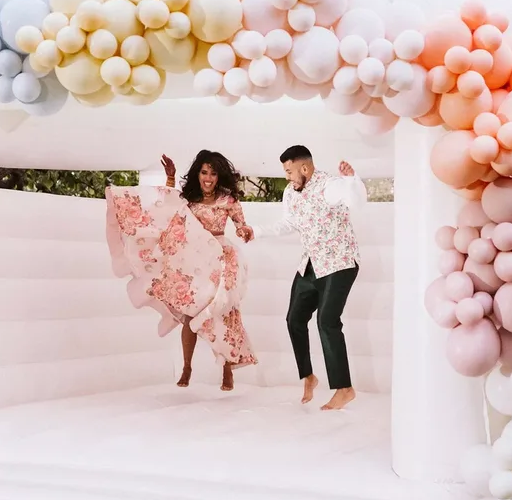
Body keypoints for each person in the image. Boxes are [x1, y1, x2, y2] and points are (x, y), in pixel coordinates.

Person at [105, 150, 257, 392]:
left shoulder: (228, 201)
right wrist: (170, 178)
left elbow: (241, 224)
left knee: (223, 312)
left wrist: (244, 231)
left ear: (219, 177)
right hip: (194, 260)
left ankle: (227, 369)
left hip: (219, 259)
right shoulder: (190, 199)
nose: (208, 178)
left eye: (213, 174)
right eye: (204, 172)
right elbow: (167, 206)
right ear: (198, 174)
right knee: (190, 313)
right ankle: (187, 367)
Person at [253, 145, 366, 410]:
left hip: (340, 263)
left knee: (327, 321)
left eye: (290, 171)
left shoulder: (331, 185)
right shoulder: (290, 192)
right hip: (311, 264)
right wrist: (257, 231)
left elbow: (356, 201)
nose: (287, 176)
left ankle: (344, 388)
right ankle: (308, 376)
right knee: (294, 319)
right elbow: (288, 223)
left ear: (305, 168)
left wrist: (352, 180)